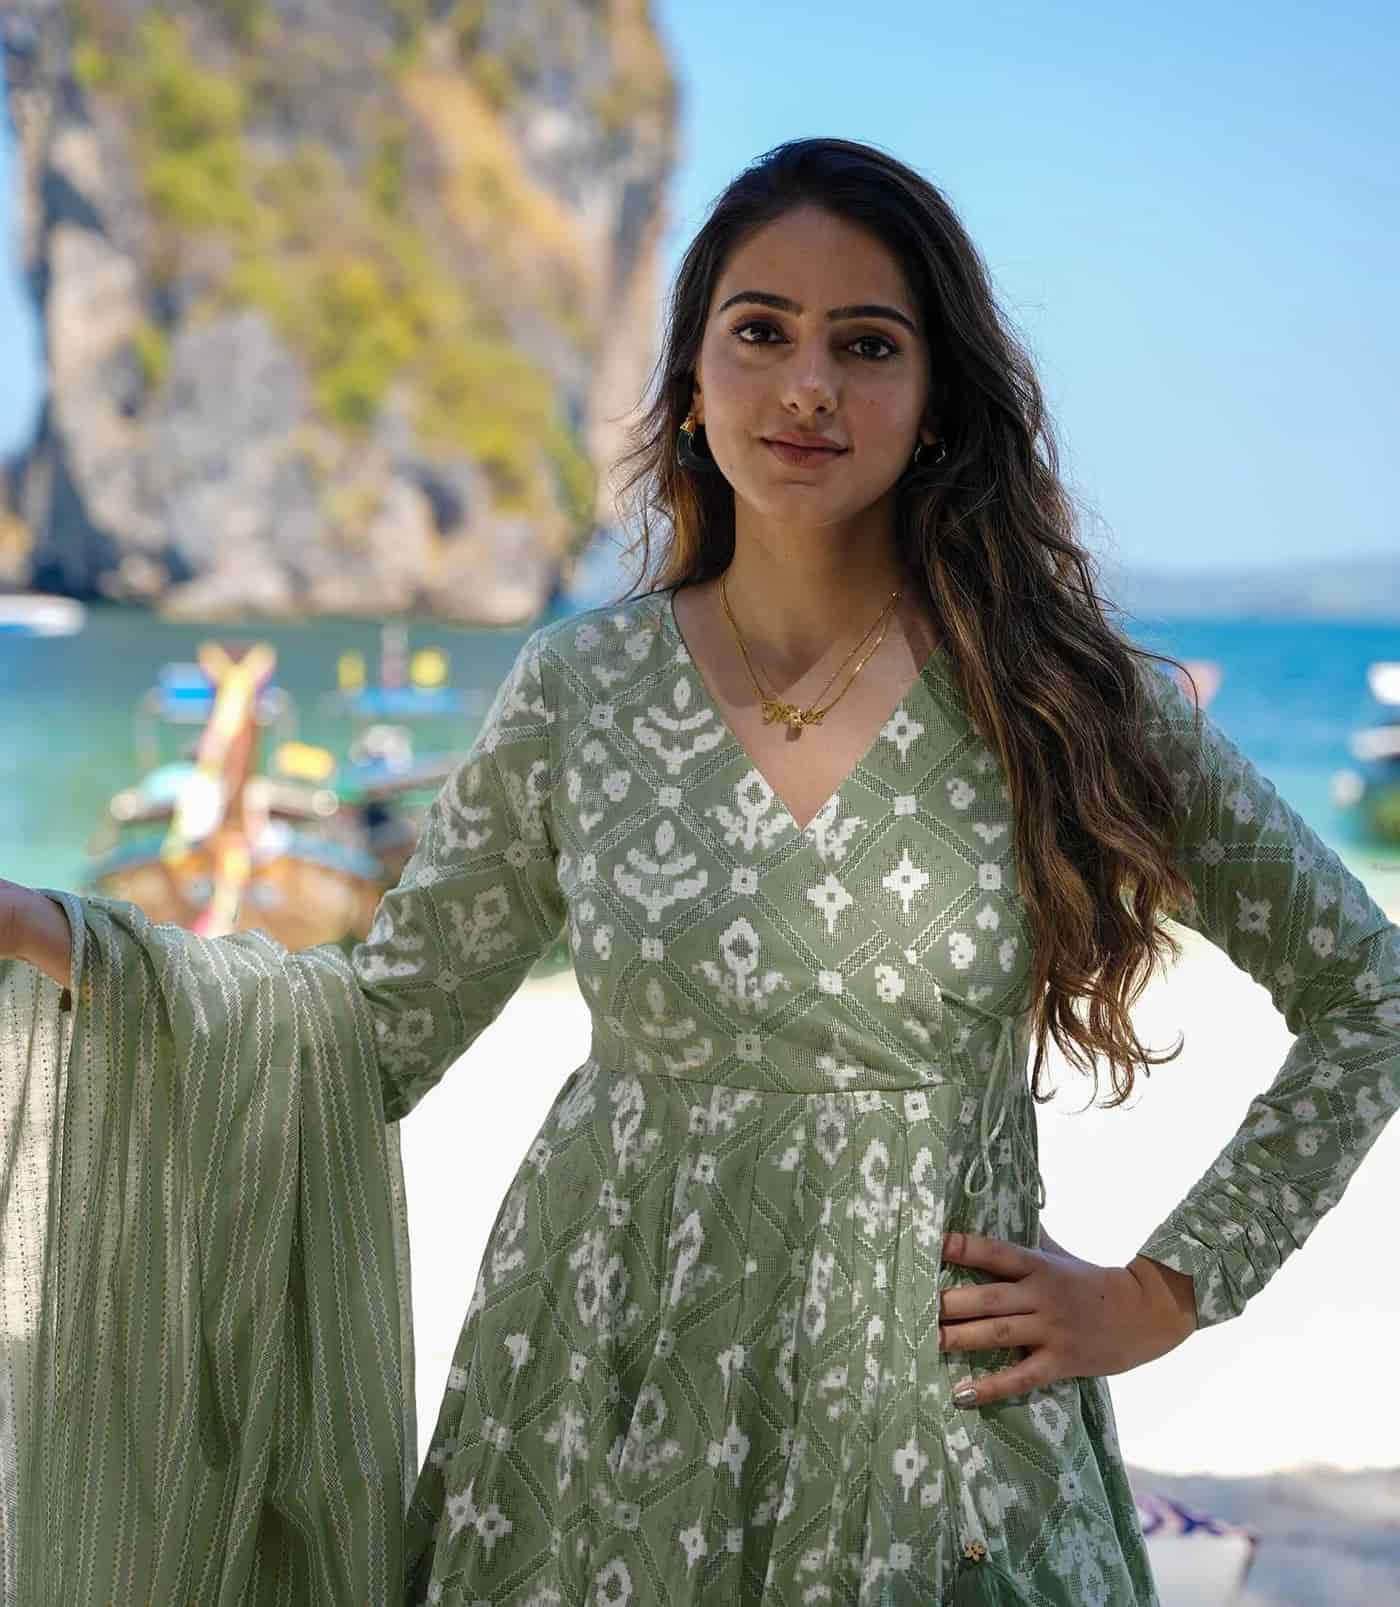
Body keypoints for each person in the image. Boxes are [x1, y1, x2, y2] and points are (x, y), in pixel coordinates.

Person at [1, 135, 1397, 1607]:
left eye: (868, 344)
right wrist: (70, 941)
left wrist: (1156, 1298)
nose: (808, 386)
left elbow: (1367, 989)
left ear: (935, 404)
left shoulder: (1053, 697)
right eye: (760, 332)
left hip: (925, 1447)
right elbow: (372, 1029)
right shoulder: (579, 692)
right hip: (588, 1431)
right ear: (689, 382)